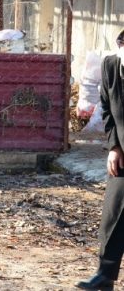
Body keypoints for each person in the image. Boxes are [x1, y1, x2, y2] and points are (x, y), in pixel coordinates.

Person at [77, 28, 124, 290]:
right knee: (114, 213)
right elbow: (106, 108)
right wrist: (114, 147)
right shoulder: (110, 66)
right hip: (123, 152)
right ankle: (105, 276)